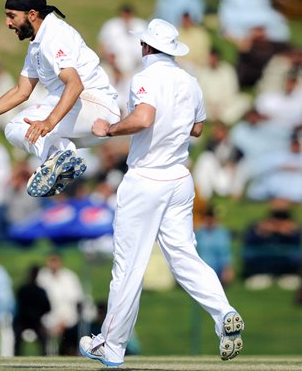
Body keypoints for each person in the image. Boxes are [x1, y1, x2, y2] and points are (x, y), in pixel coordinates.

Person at [79, 18, 244, 367]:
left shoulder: (145, 78)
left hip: (147, 180)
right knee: (184, 256)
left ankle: (111, 346)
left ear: (147, 46)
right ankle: (224, 312)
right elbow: (198, 128)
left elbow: (142, 119)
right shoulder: (190, 81)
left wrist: (108, 129)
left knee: (128, 267)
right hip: (180, 179)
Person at [0, 0, 121, 198]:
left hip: (93, 104)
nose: (7, 23)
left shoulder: (54, 36)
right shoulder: (37, 43)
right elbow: (21, 91)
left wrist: (48, 122)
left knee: (17, 126)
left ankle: (60, 155)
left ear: (32, 15)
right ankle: (61, 156)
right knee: (15, 128)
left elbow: (75, 84)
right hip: (85, 118)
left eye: (11, 16)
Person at [37, 253, 84, 355]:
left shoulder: (70, 277)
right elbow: (40, 303)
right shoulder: (42, 277)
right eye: (51, 261)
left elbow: (77, 300)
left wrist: (64, 321)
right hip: (48, 317)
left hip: (69, 317)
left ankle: (68, 352)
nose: (53, 264)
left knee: (72, 330)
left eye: (55, 261)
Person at [13, 265, 51, 356]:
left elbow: (47, 307)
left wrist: (37, 314)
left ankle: (45, 356)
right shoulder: (24, 289)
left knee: (43, 337)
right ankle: (17, 356)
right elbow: (19, 306)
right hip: (23, 319)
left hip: (36, 320)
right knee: (17, 335)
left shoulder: (40, 291)